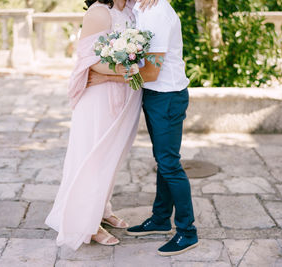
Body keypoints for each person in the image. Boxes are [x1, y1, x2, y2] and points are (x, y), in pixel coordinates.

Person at [87, 0, 198, 256]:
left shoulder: (156, 11)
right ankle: (160, 219)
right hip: (156, 96)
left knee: (170, 164)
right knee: (163, 160)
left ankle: (187, 232)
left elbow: (150, 73)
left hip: (167, 95)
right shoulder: (141, 9)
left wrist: (106, 76)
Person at [45, 0, 158, 250]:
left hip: (127, 94)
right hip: (100, 97)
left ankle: (101, 208)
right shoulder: (98, 12)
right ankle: (86, 222)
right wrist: (123, 72)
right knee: (94, 155)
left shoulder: (130, 9)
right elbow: (90, 60)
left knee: (113, 156)